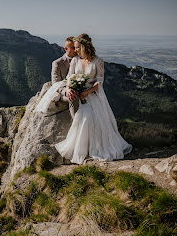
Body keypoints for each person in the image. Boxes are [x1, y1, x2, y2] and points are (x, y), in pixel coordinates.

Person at [54, 34, 132, 164]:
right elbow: (69, 77)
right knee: (83, 117)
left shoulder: (98, 61)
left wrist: (87, 92)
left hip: (92, 95)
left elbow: (99, 82)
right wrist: (70, 88)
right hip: (78, 92)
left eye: (78, 47)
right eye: (75, 47)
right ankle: (82, 150)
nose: (76, 50)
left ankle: (94, 149)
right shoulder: (75, 60)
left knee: (90, 116)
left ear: (85, 47)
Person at [34, 37, 80, 118]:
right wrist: (67, 91)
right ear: (66, 48)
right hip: (63, 92)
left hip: (78, 89)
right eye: (73, 48)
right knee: (73, 98)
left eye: (76, 47)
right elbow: (56, 83)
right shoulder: (57, 63)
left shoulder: (81, 60)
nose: (75, 50)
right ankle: (76, 122)